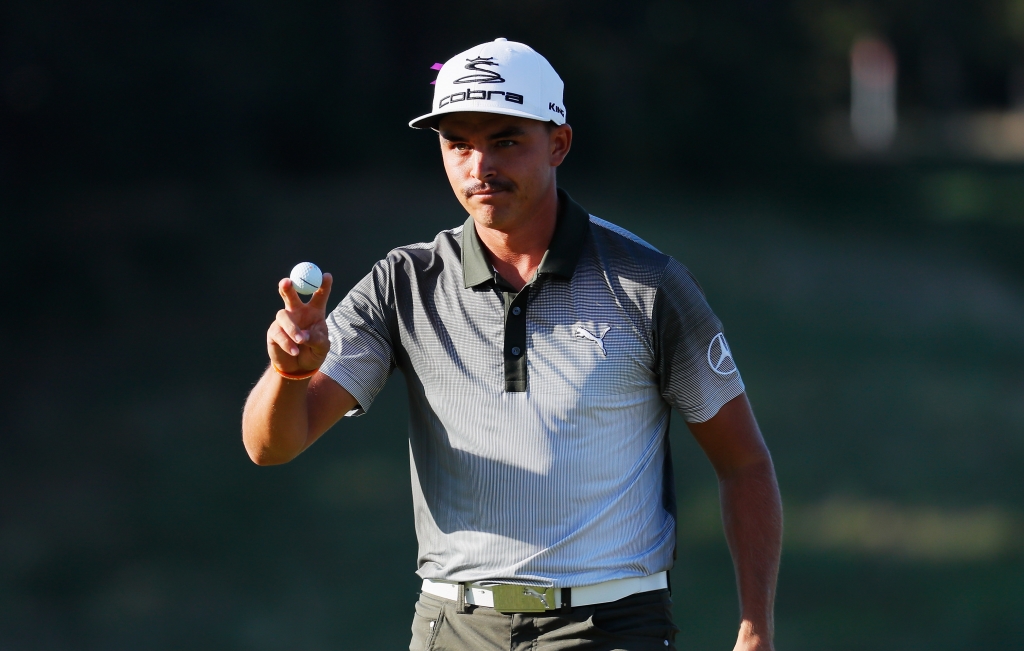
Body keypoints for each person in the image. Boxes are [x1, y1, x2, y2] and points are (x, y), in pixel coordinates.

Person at [242, 38, 782, 651]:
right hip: (453, 627)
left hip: (610, 628)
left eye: (505, 140)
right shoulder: (404, 283)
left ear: (558, 143)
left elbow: (744, 463)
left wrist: (755, 630)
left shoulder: (649, 284)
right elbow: (271, 447)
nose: (479, 167)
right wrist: (287, 374)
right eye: (458, 145)